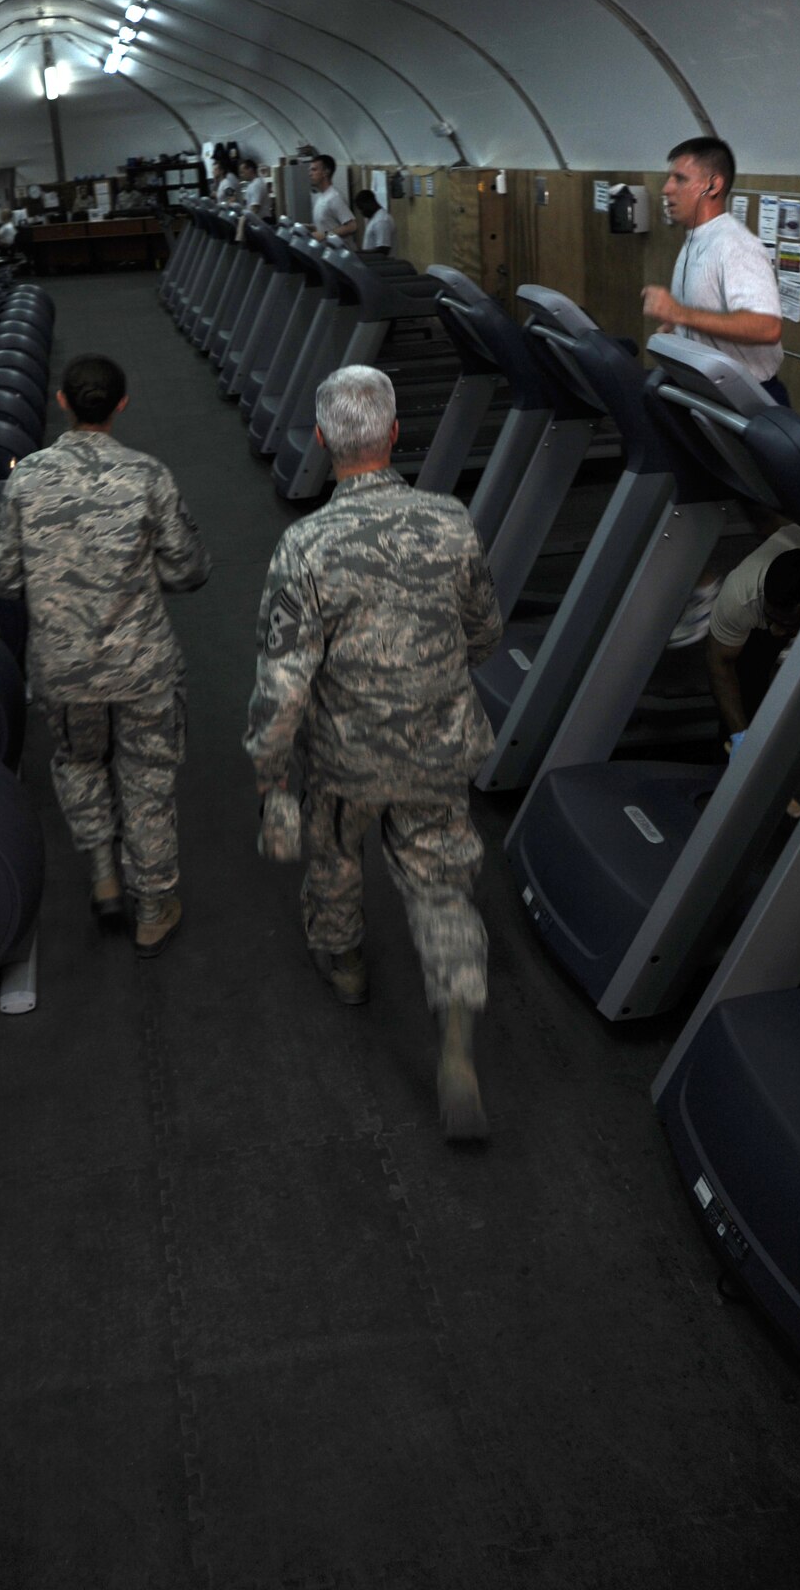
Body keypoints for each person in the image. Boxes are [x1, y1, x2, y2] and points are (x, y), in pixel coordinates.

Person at [245, 364, 502, 1140]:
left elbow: (283, 680)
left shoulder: (304, 544)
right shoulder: (449, 520)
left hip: (344, 756)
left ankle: (348, 966)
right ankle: (455, 1040)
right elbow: (482, 630)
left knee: (333, 859)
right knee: (441, 887)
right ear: (393, 433)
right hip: (437, 746)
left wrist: (268, 774)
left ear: (322, 441)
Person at [0, 353, 210, 956]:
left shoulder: (26, 477)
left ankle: (104, 876)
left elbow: (2, 577)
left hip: (62, 669)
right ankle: (153, 906)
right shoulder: (147, 475)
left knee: (80, 763)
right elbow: (189, 569)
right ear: (121, 405)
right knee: (148, 780)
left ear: (62, 401)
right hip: (142, 667)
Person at [642, 136, 788, 402]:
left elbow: (767, 327)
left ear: (713, 185)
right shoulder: (697, 239)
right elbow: (707, 315)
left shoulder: (735, 245)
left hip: (748, 400)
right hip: (711, 394)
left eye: (680, 179)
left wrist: (679, 313)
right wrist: (681, 330)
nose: (666, 189)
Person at [706, 529, 800, 744]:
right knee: (747, 677)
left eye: (787, 625)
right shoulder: (739, 597)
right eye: (772, 619)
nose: (776, 631)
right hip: (758, 616)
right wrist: (739, 735)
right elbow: (719, 662)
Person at [309, 154, 356, 241]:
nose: (310, 174)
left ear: (326, 172)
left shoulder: (334, 197)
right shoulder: (321, 197)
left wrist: (325, 235)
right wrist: (309, 227)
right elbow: (327, 224)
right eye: (310, 170)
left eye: (314, 170)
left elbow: (351, 226)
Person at [352, 188, 396, 254]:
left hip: (381, 263)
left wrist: (360, 254)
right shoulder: (375, 218)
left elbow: (383, 250)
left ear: (370, 202)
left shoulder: (381, 220)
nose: (361, 212)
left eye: (362, 208)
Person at [239, 156, 273, 223]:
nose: (241, 175)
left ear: (250, 170)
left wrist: (244, 221)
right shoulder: (252, 184)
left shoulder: (257, 185)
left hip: (262, 221)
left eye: (243, 172)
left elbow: (255, 208)